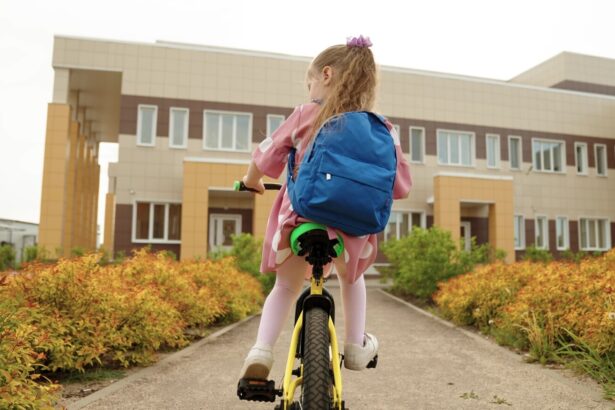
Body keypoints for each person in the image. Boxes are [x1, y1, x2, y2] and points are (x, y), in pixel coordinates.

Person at [239, 35, 412, 380]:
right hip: (353, 230)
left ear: (327, 75)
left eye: (310, 82)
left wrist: (251, 180)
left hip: (300, 219)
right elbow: (401, 186)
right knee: (353, 278)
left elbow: (265, 155)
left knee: (285, 287)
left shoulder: (306, 114)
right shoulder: (384, 128)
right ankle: (355, 346)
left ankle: (261, 351)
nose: (309, 90)